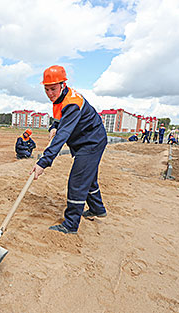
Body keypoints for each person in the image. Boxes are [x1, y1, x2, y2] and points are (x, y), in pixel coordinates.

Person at [30, 65, 107, 234]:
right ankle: (97, 209)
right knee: (88, 177)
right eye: (46, 89)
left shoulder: (72, 103)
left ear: (63, 85)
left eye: (53, 89)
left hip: (91, 142)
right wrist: (54, 125)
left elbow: (62, 136)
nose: (50, 93)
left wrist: (43, 162)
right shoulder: (60, 98)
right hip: (84, 141)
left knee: (77, 181)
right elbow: (60, 118)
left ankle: (70, 225)